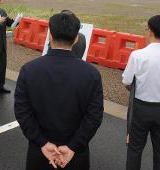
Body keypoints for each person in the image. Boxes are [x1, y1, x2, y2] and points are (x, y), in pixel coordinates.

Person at [14, 12, 103, 170]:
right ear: (76, 39)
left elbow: (22, 111)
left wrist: (42, 142)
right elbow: (94, 116)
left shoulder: (29, 70)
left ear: (49, 36)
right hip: (75, 156)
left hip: (39, 153)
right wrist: (73, 146)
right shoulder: (91, 74)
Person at [123, 15, 160, 170]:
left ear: (150, 31)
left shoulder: (138, 55)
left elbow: (127, 82)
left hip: (141, 107)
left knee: (135, 149)